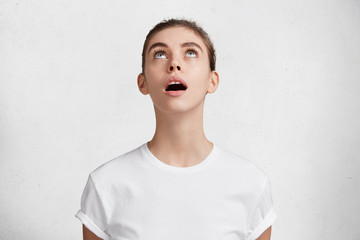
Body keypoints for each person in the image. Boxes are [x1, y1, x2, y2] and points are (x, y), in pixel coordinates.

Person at [75, 18, 277, 240]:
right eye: (160, 54)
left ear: (212, 80)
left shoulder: (251, 184)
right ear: (142, 82)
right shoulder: (106, 185)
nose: (174, 64)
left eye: (191, 52)